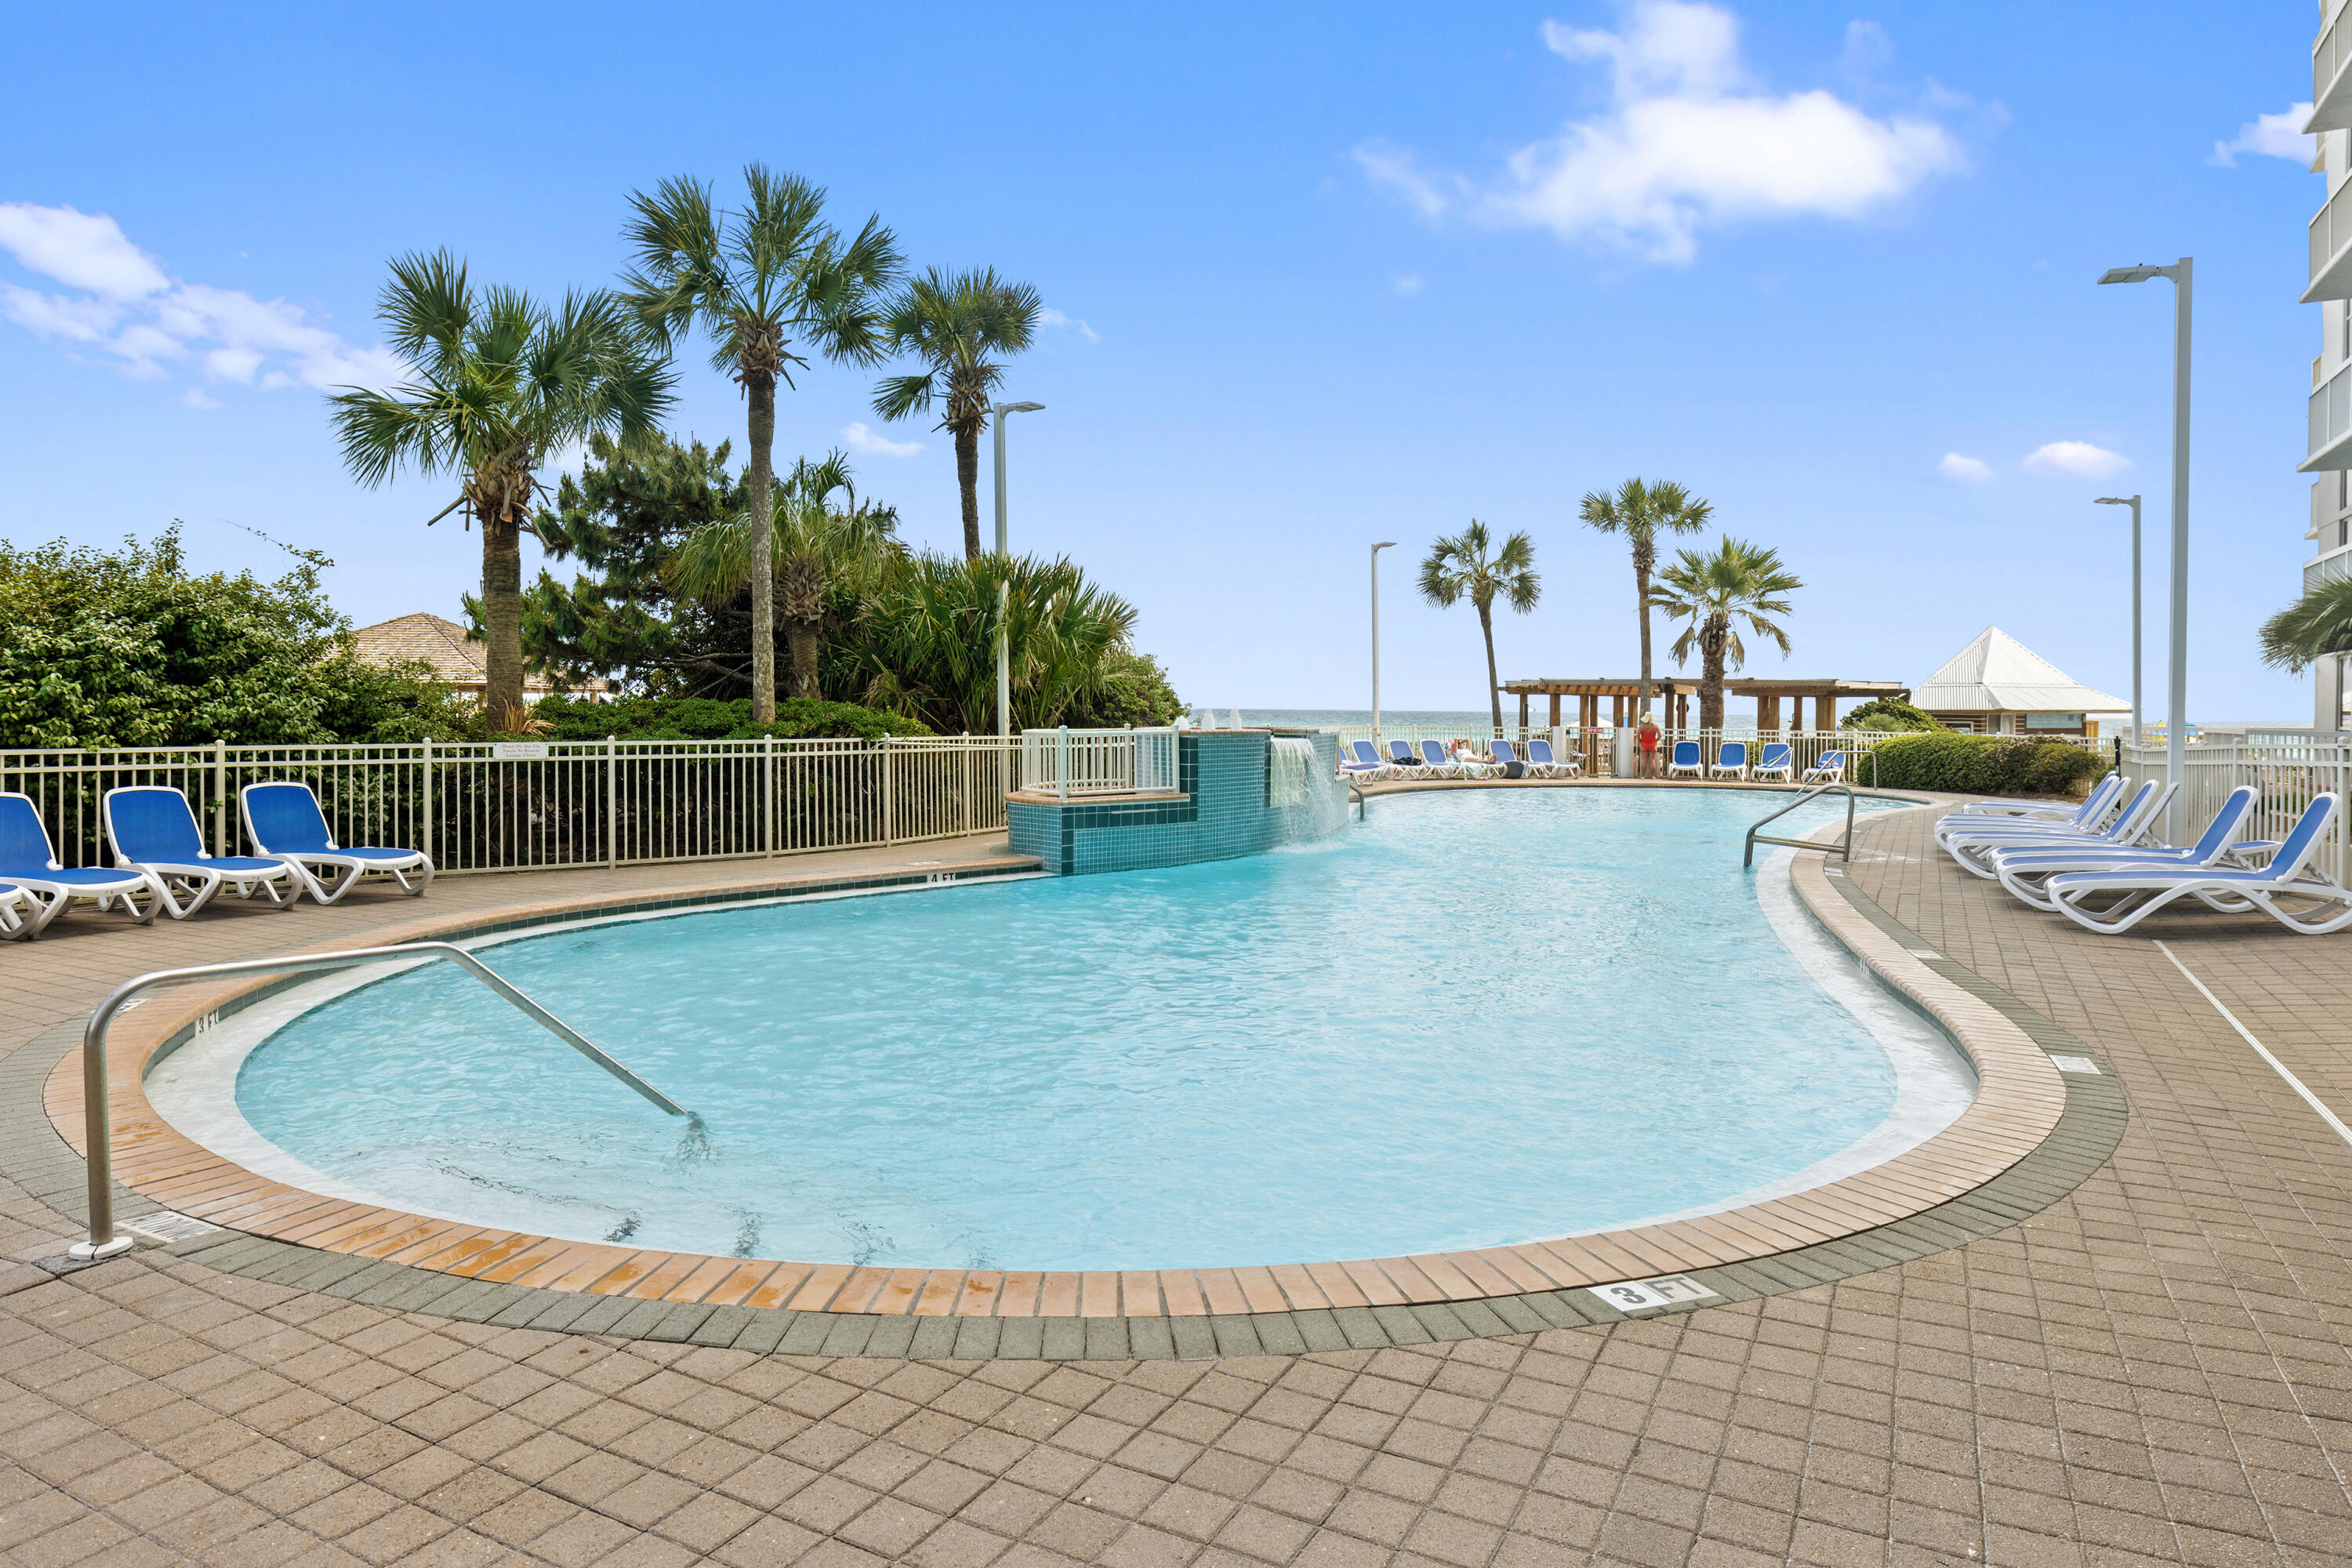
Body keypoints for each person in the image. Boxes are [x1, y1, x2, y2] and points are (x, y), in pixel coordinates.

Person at [1637, 712, 1661, 779]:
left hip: (1644, 744)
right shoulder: (1655, 727)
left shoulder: (1641, 727)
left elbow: (1638, 736)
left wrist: (1641, 741)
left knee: (1644, 761)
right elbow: (1660, 736)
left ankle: (1643, 776)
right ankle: (1653, 776)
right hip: (1653, 745)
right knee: (1652, 761)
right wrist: (1655, 740)